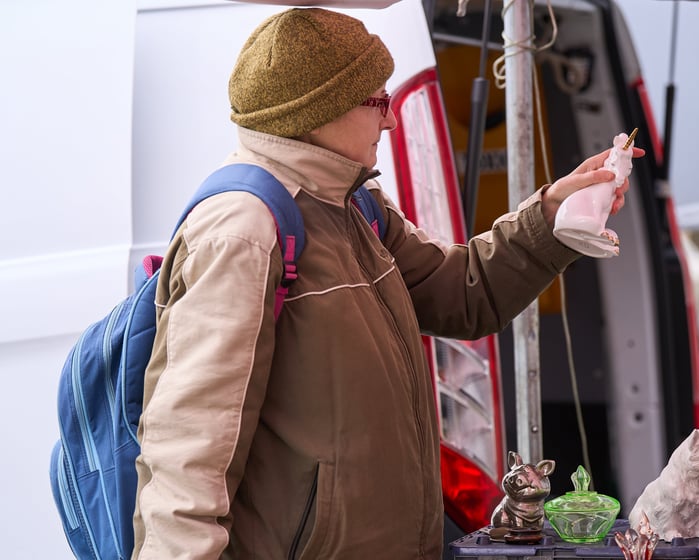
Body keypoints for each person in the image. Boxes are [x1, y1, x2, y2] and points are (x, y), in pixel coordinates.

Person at [131, 7, 643, 560]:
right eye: (378, 101)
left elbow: (464, 292)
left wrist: (551, 216)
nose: (392, 120)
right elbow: (188, 458)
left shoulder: (355, 204)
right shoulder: (241, 233)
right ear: (320, 109)